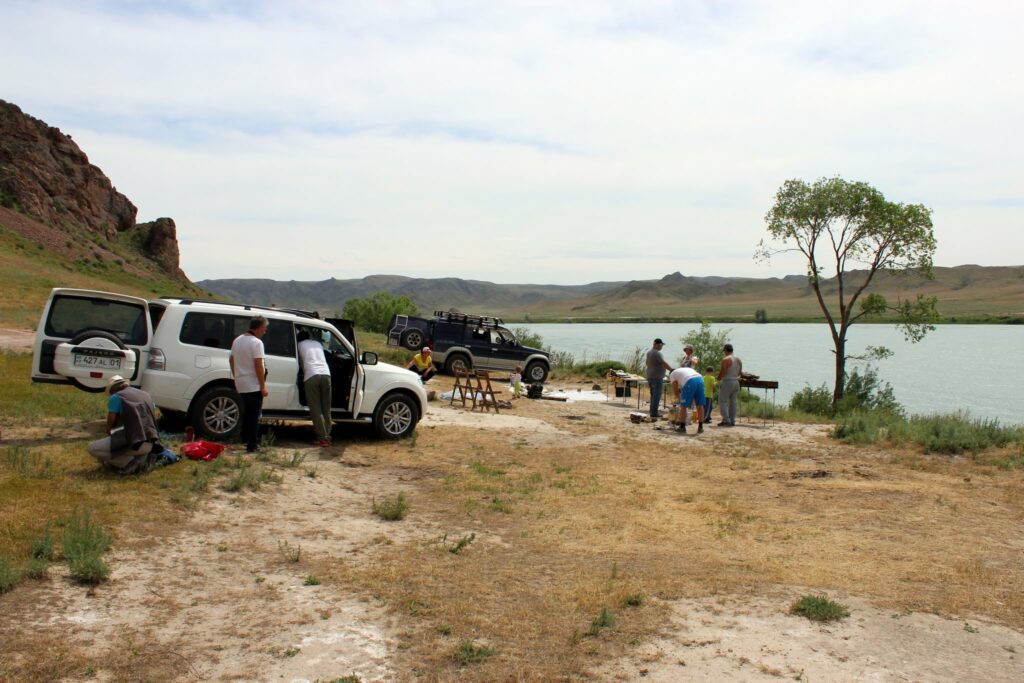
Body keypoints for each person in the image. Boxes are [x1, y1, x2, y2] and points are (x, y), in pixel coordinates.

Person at [87, 375, 165, 473]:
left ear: (113, 389)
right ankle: (141, 459)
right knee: (112, 450)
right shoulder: (146, 395)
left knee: (93, 448)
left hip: (133, 442)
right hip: (151, 442)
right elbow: (153, 414)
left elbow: (111, 419)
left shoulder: (116, 397)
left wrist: (109, 430)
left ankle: (129, 463)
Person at [230, 315, 269, 452]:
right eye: (264, 328)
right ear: (258, 328)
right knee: (254, 415)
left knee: (246, 413)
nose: (265, 331)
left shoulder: (238, 340)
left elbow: (231, 359)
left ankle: (244, 439)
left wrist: (236, 377)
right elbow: (259, 365)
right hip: (253, 384)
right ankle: (252, 444)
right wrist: (263, 386)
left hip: (241, 383)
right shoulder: (257, 343)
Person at [297, 329, 332, 447]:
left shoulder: (299, 345)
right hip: (326, 374)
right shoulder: (317, 344)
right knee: (326, 408)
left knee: (316, 409)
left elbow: (300, 363)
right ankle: (327, 435)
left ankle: (322, 439)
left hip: (311, 375)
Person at [669, 366, 705, 434]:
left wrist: (680, 400)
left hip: (690, 381)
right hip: (700, 379)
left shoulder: (672, 374)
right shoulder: (684, 370)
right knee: (700, 405)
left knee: (684, 406)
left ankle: (682, 427)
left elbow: (675, 390)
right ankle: (701, 427)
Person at [645, 338, 673, 419]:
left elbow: (647, 363)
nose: (662, 347)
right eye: (661, 345)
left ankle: (652, 411)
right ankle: (654, 413)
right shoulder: (657, 353)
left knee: (653, 395)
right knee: (656, 395)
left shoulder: (649, 352)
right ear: (657, 344)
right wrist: (671, 370)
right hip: (656, 377)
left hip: (650, 376)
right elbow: (663, 363)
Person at [717, 343, 743, 427]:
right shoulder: (738, 359)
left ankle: (726, 420)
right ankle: (732, 420)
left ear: (726, 350)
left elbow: (723, 372)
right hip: (736, 381)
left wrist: (718, 378)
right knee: (733, 402)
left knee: (722, 401)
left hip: (728, 381)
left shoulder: (726, 359)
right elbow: (740, 373)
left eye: (724, 351)